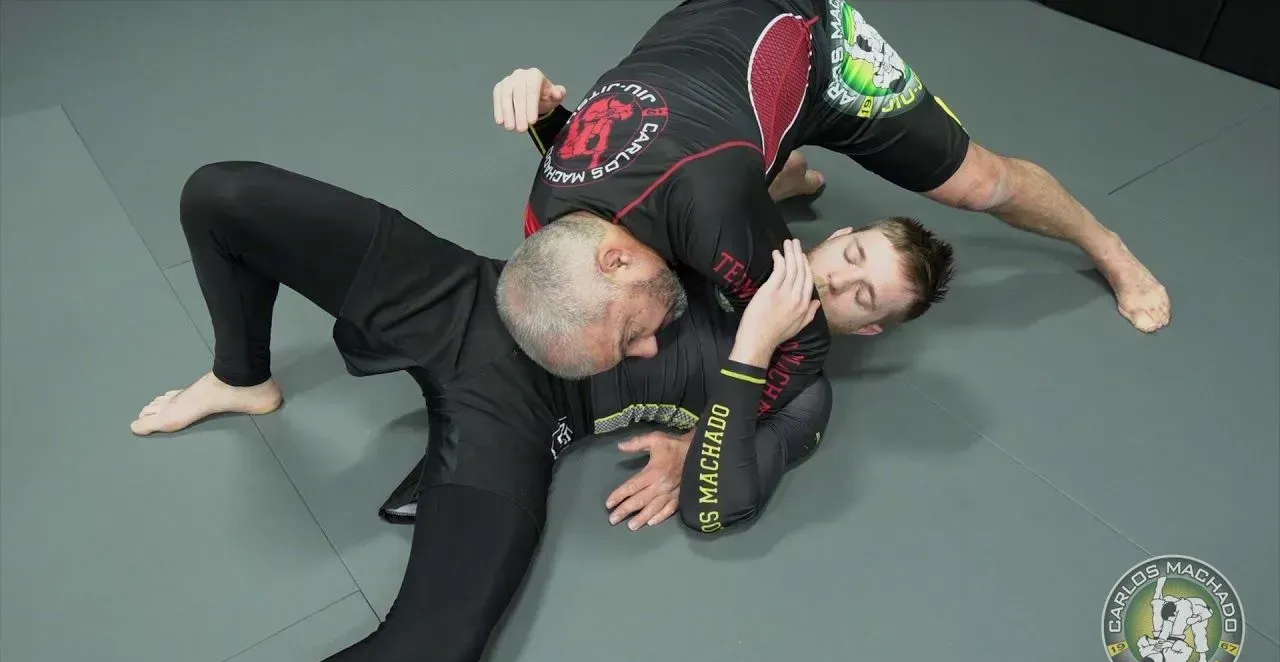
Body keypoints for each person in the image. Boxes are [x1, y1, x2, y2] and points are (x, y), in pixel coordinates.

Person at [128, 160, 865, 662]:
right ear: (830, 240)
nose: (831, 289)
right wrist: (781, 180)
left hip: (523, 415)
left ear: (870, 328)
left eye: (864, 298)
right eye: (850, 260)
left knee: (442, 643)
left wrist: (732, 392)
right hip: (472, 298)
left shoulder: (802, 387)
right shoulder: (734, 245)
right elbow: (708, 168)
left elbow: (720, 505)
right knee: (221, 196)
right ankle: (240, 377)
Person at [493, 0, 1170, 390]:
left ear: (612, 260)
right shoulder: (548, 222)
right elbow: (584, 152)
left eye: (630, 335)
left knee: (981, 183)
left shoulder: (717, 212)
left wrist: (701, 436)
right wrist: (554, 113)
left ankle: (1105, 245)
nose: (645, 350)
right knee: (724, 163)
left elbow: (804, 342)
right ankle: (779, 167)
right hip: (714, 73)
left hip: (815, 45)